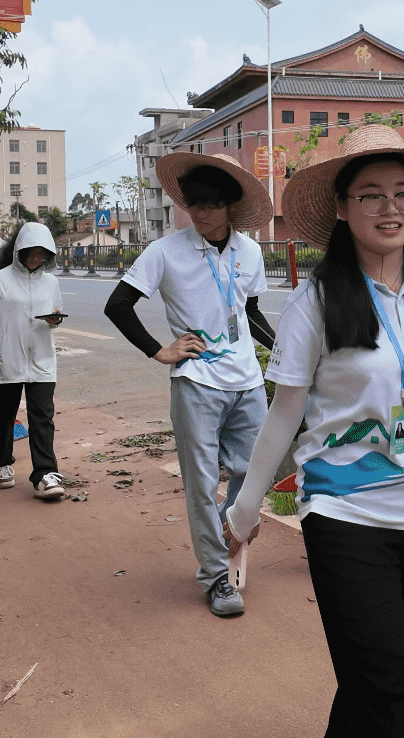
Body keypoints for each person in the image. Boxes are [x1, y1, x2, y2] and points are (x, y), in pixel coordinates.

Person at [224, 125, 404, 738]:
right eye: (371, 195)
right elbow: (284, 413)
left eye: (403, 193)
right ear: (342, 208)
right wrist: (246, 506)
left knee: (385, 688)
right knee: (387, 689)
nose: (390, 208)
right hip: (343, 515)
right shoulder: (318, 300)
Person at [102, 152, 277, 618]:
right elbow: (118, 305)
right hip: (196, 381)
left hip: (248, 381)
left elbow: (249, 311)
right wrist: (159, 350)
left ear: (231, 207)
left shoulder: (252, 252)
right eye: (194, 203)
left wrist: (280, 354)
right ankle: (216, 578)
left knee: (255, 472)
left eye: (213, 203)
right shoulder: (165, 252)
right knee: (201, 484)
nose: (202, 213)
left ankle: (229, 528)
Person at [0, 222, 67, 498]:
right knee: (4, 415)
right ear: (19, 250)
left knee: (42, 416)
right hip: (7, 358)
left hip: (41, 359)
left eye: (42, 254)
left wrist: (54, 319)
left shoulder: (51, 282)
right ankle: (2, 465)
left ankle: (45, 474)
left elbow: (55, 314)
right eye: (31, 252)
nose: (36, 258)